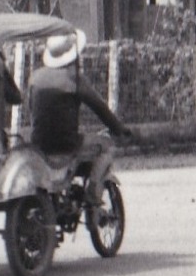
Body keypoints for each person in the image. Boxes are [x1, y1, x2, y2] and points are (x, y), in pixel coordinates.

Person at [26, 29, 131, 199]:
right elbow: (99, 108)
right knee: (106, 145)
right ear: (74, 55)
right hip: (67, 145)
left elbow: (30, 109)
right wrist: (119, 128)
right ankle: (93, 193)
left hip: (39, 146)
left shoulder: (35, 77)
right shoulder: (74, 78)